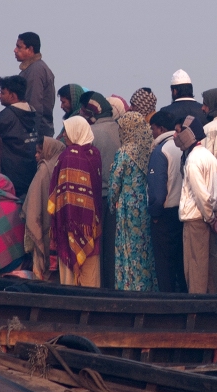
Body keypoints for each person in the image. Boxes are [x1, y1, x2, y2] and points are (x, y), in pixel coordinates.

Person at [48, 116, 102, 287]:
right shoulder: (95, 155)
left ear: (76, 132)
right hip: (92, 228)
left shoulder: (67, 157)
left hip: (68, 227)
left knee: (69, 283)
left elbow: (58, 193)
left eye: (66, 131)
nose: (64, 135)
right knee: (90, 281)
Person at [108, 111, 157, 291]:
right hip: (145, 203)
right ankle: (148, 287)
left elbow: (115, 183)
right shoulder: (149, 148)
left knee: (128, 248)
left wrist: (112, 205)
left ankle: (130, 286)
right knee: (144, 248)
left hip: (128, 206)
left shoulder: (123, 153)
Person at [177, 116, 217, 294]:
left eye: (179, 131)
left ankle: (195, 308)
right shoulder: (209, 156)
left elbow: (201, 195)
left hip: (197, 220)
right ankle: (215, 304)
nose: (176, 135)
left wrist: (211, 218)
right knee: (211, 266)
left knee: (195, 265)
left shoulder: (192, 160)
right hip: (209, 217)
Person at [79, 90, 120, 288]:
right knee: (113, 246)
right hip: (119, 197)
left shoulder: (92, 133)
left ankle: (101, 286)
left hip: (99, 197)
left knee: (99, 246)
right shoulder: (120, 129)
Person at [148, 111, 187, 293]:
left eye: (153, 129)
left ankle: (167, 304)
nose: (151, 133)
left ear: (161, 129)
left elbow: (157, 191)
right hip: (182, 212)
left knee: (165, 266)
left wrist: (155, 214)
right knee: (181, 262)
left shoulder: (160, 151)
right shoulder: (182, 147)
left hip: (164, 215)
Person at [22, 136, 65, 280]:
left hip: (47, 225)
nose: (36, 156)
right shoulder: (63, 164)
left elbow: (32, 207)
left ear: (48, 151)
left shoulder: (43, 170)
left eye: (39, 152)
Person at [0, 75, 38, 198]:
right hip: (31, 175)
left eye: (2, 92)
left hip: (11, 179)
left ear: (13, 96)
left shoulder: (5, 117)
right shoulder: (33, 113)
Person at [15, 32, 55, 137]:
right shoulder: (32, 69)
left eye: (19, 47)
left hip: (38, 133)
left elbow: (34, 106)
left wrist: (31, 137)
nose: (15, 50)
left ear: (30, 49)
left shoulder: (35, 70)